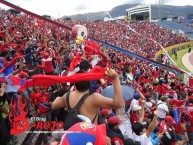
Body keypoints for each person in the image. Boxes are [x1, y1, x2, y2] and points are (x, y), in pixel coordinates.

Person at [52, 59, 123, 128]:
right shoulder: (94, 98)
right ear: (89, 83)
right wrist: (116, 78)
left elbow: (53, 106)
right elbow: (118, 104)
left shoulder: (67, 96)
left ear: (75, 83)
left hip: (73, 134)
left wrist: (58, 98)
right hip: (90, 136)